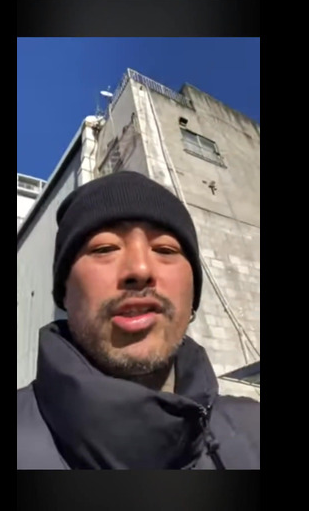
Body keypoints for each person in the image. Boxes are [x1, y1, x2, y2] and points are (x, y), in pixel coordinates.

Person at [16, 171, 260, 470]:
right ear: (64, 292)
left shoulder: (252, 429)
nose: (140, 269)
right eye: (104, 248)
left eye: (165, 250)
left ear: (193, 296)